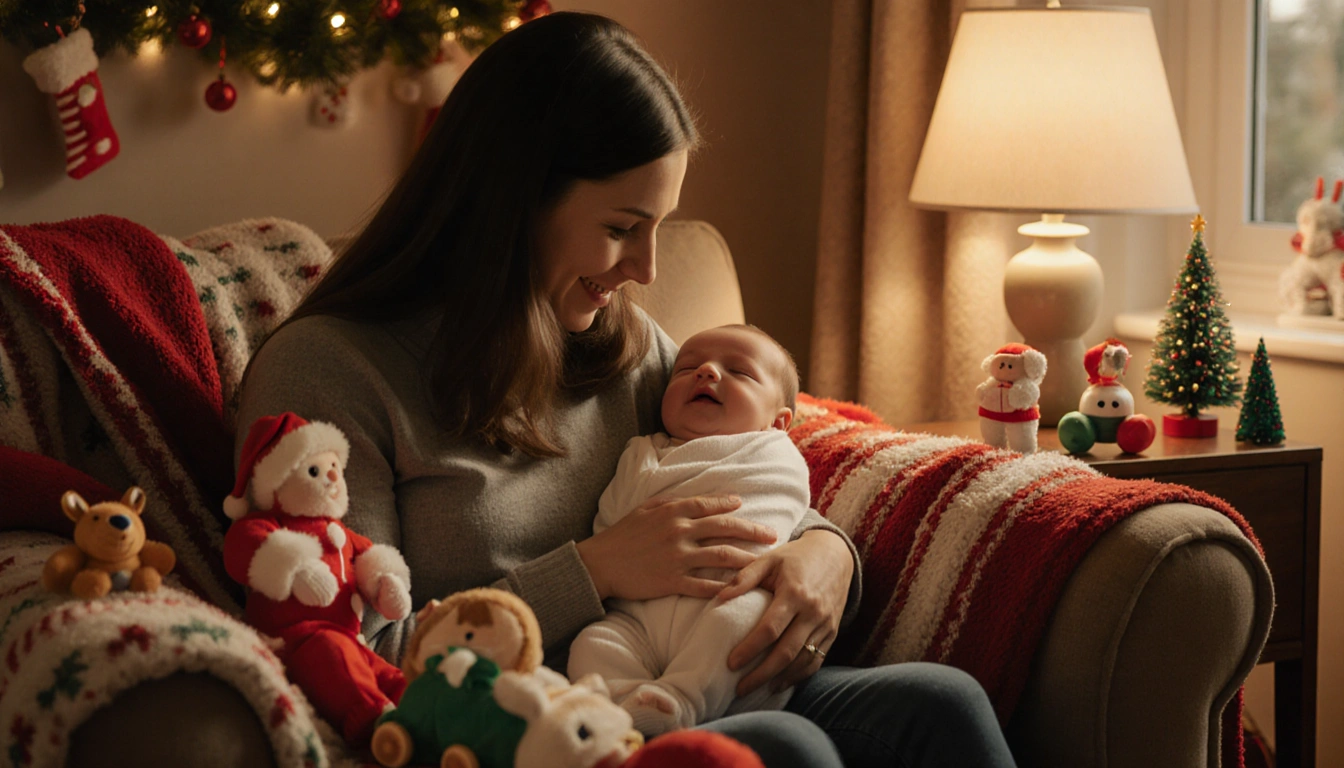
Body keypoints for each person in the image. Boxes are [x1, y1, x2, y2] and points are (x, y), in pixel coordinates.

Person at [238, 11, 1017, 767]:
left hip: (685, 678)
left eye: (658, 227)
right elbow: (356, 654)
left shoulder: (624, 345)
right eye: (621, 227)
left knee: (941, 704)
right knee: (783, 751)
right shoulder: (332, 372)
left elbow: (747, 471)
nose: (646, 268)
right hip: (522, 731)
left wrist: (826, 554)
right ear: (511, 204)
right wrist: (595, 570)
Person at [568, 324, 809, 735]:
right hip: (637, 617)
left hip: (725, 599)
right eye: (686, 369)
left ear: (778, 422)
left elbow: (787, 506)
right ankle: (632, 706)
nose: (707, 372)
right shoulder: (642, 451)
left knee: (747, 616)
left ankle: (686, 698)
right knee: (591, 645)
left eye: (740, 372)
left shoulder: (773, 453)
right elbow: (611, 522)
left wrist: (827, 546)